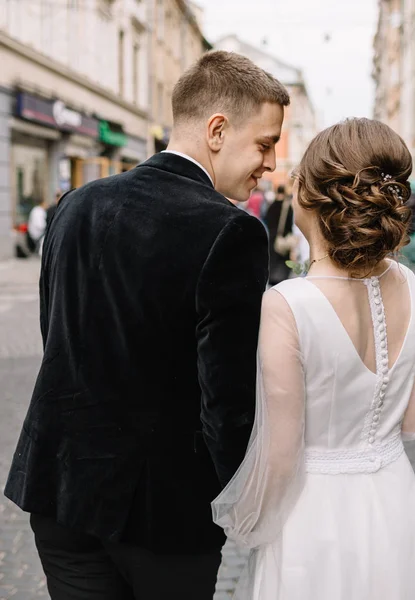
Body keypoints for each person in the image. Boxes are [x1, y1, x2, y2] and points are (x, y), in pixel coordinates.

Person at [4, 51, 289, 600]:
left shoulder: (75, 204)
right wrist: (238, 503)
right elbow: (227, 402)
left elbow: (57, 336)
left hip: (60, 492)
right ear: (217, 129)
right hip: (164, 514)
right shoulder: (230, 231)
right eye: (265, 142)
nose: (270, 163)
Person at [212, 118, 415, 599]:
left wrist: (247, 524)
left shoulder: (287, 305)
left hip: (311, 516)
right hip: (394, 503)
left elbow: (280, 454)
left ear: (310, 197)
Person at [265, 184, 296, 285]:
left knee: (273, 259)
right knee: (282, 260)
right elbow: (290, 223)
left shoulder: (271, 205)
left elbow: (266, 219)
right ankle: (281, 281)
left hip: (272, 237)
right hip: (283, 237)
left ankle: (272, 279)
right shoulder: (286, 206)